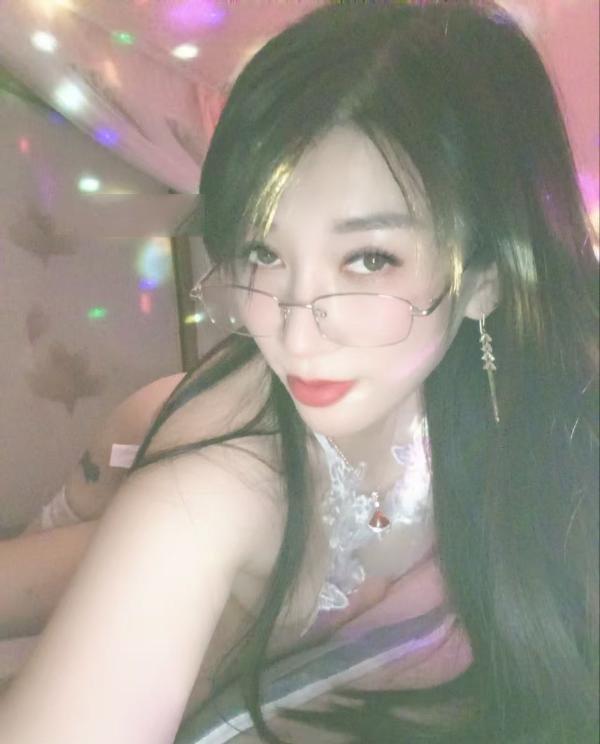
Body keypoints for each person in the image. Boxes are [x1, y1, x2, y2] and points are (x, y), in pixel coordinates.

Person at [0, 2, 597, 742]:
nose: (294, 333)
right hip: (142, 453)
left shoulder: (537, 397)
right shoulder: (213, 491)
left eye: (368, 258)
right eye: (263, 252)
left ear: (486, 279)